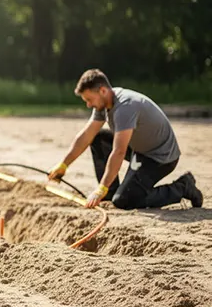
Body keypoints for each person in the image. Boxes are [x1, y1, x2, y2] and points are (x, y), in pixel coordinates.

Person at [47, 69, 203, 210]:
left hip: (160, 157)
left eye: (89, 99)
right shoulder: (104, 103)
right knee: (98, 138)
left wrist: (101, 187)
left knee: (124, 201)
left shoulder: (125, 107)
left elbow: (119, 151)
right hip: (139, 149)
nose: (88, 105)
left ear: (102, 90)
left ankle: (182, 187)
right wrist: (63, 165)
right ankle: (110, 192)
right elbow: (86, 135)